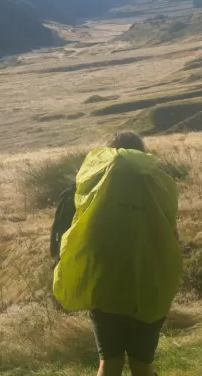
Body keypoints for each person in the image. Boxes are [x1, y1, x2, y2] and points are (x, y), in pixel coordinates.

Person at [52, 131, 182, 376]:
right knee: (142, 365)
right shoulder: (160, 184)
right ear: (142, 154)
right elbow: (173, 238)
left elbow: (72, 239)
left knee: (109, 364)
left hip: (104, 285)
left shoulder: (91, 184)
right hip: (149, 286)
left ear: (107, 154)